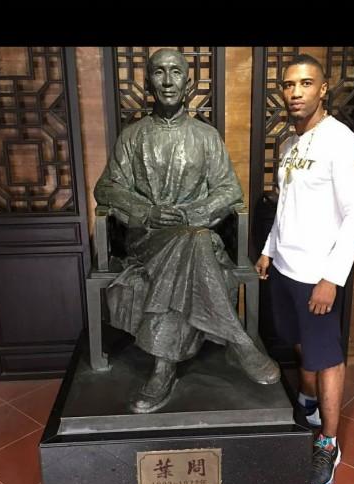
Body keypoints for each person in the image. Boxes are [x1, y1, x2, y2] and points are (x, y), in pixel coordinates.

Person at [95, 48, 280, 414]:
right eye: (159, 72)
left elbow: (229, 190)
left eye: (176, 72)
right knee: (194, 243)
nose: (167, 81)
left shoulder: (206, 137)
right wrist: (148, 211)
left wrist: (193, 213)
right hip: (149, 240)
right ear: (149, 83)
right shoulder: (133, 137)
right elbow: (106, 188)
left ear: (188, 83)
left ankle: (163, 370)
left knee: (194, 240)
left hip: (196, 234)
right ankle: (238, 340)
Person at [256, 54, 354, 484]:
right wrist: (268, 251)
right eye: (288, 85)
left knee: (327, 358)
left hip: (317, 274)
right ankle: (308, 400)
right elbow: (285, 207)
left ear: (323, 89)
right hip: (285, 268)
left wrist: (331, 278)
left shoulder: (343, 143)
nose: (295, 92)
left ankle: (329, 443)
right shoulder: (289, 145)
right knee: (300, 342)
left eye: (305, 83)